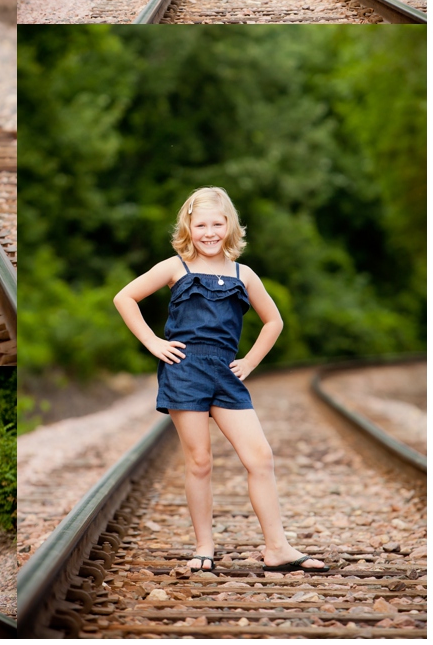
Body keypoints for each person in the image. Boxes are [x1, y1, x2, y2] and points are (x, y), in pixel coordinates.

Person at [113, 187, 328, 574]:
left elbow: (273, 321)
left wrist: (250, 361)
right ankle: (203, 547)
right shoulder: (175, 267)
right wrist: (152, 342)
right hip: (185, 370)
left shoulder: (243, 274)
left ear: (229, 226)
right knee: (200, 462)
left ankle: (277, 547)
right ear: (188, 228)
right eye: (201, 225)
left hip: (226, 374)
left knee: (260, 457)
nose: (209, 232)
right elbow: (124, 298)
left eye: (217, 223)